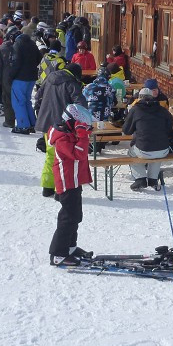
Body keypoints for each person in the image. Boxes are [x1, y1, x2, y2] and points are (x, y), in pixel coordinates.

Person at [48, 103, 95, 266]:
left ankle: (70, 247)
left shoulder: (68, 132)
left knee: (75, 215)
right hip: (66, 179)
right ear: (71, 122)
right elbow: (79, 154)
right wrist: (83, 135)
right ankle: (58, 253)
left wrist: (84, 131)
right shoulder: (61, 137)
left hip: (73, 179)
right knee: (68, 216)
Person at [36, 62, 87, 197]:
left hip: (47, 124)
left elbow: (38, 96)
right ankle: (60, 188)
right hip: (62, 126)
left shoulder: (50, 78)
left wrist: (40, 111)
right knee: (61, 159)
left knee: (50, 155)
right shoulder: (71, 83)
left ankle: (47, 186)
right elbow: (81, 105)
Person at [121, 87, 173, 191]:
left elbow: (127, 130)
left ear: (139, 98)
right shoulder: (162, 109)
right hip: (163, 149)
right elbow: (171, 124)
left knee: (132, 153)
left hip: (144, 149)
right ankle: (153, 180)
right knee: (156, 153)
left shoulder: (135, 109)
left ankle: (140, 178)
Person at [9, 29, 41, 134]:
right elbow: (39, 58)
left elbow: (16, 62)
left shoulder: (17, 45)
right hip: (32, 77)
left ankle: (23, 125)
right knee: (27, 101)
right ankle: (32, 123)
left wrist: (11, 75)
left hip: (20, 78)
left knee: (18, 102)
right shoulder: (32, 43)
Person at [0, 25, 19, 127]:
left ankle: (9, 121)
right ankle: (23, 121)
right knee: (20, 99)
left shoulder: (2, 47)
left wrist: (0, 79)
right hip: (18, 75)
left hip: (6, 76)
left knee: (8, 99)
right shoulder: (19, 46)